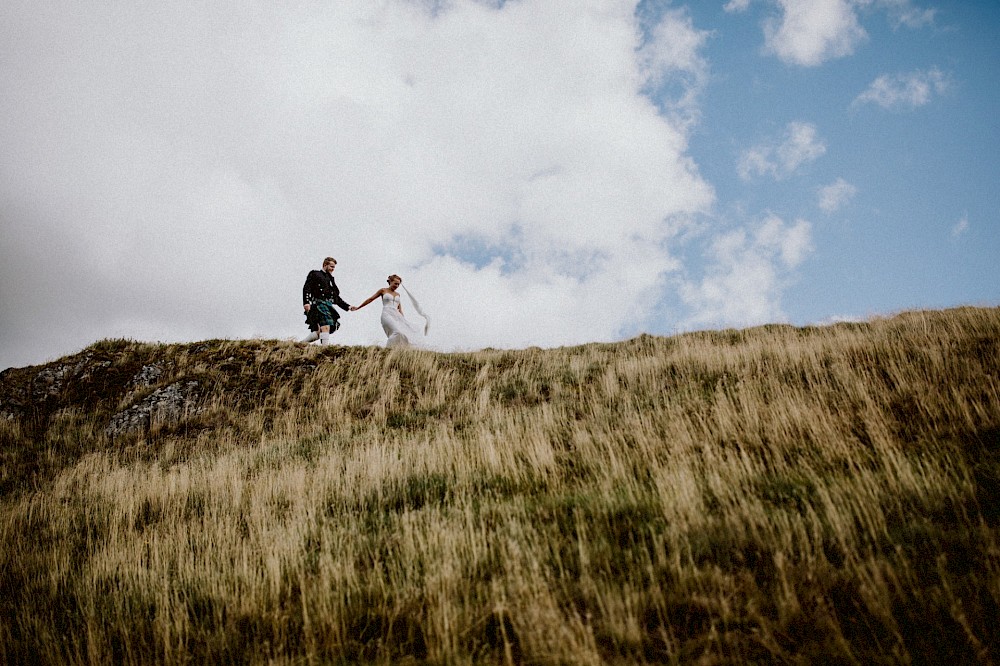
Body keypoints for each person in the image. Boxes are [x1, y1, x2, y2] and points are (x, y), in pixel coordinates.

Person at [351, 274, 429, 348]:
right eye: (395, 283)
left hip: (397, 315)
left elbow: (400, 309)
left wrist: (403, 320)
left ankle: (398, 351)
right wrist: (358, 307)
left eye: (398, 284)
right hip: (387, 314)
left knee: (403, 334)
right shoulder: (383, 290)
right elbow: (370, 299)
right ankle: (387, 350)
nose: (397, 286)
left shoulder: (398, 294)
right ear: (390, 281)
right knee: (397, 332)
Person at [301, 257, 353, 345]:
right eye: (331, 267)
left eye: (334, 267)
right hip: (318, 303)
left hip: (327, 304)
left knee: (318, 332)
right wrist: (306, 302)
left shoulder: (330, 279)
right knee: (325, 327)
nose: (333, 269)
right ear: (325, 265)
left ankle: (299, 344)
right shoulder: (315, 274)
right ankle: (325, 350)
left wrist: (348, 306)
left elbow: (336, 298)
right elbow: (307, 288)